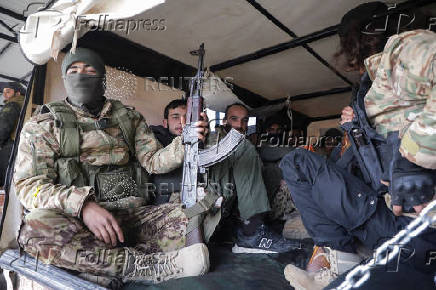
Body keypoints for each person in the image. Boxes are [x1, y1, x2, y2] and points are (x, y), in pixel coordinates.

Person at [13, 48, 211, 286]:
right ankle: (145, 266)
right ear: (65, 78)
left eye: (89, 70)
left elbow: (154, 161)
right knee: (35, 229)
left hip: (133, 218)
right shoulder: (43, 124)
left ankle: (98, 267)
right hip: (78, 223)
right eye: (73, 70)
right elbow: (29, 186)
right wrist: (83, 206)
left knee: (199, 212)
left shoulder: (127, 117)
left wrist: (186, 140)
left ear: (102, 78)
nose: (81, 75)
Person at [282, 2, 436, 289]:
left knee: (297, 162)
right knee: (296, 162)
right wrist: (355, 129)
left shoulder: (404, 48)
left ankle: (342, 255)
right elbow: (357, 166)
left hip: (420, 225)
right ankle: (338, 255)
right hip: (389, 218)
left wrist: (413, 161)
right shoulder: (368, 87)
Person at [151, 101, 301, 254]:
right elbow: (157, 178)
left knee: (270, 168)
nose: (182, 121)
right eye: (176, 117)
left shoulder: (204, 138)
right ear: (165, 122)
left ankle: (250, 226)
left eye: (187, 117)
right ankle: (251, 230)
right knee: (243, 149)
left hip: (218, 191)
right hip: (190, 195)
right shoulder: (159, 142)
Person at [0, 82, 25, 187]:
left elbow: (3, 126)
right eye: (3, 92)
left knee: (3, 178)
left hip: (10, 144)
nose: (4, 95)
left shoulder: (13, 104)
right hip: (19, 144)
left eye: (8, 92)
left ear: (17, 94)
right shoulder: (23, 104)